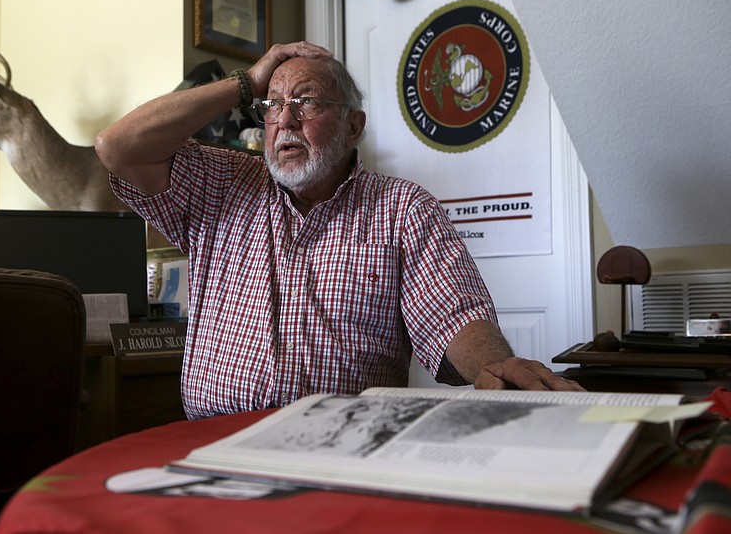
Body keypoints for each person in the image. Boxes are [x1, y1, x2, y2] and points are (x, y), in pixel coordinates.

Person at [95, 41, 584, 419]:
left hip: (341, 446)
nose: (283, 119)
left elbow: (455, 316)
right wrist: (245, 84)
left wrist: (493, 369)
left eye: (306, 103)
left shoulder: (401, 209)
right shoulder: (221, 183)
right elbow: (117, 147)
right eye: (271, 106)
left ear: (353, 127)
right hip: (215, 437)